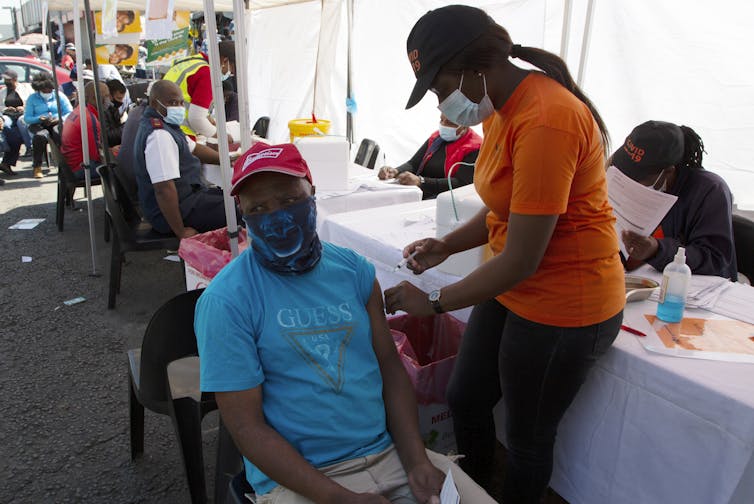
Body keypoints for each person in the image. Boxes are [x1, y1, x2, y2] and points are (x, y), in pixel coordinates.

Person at [383, 6, 624, 503]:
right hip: (515, 286)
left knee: (527, 439)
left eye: (439, 85)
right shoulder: (500, 106)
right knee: (465, 397)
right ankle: (473, 493)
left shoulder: (547, 119)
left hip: (564, 305)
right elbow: (506, 207)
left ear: (473, 68)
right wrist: (447, 243)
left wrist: (430, 301)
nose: (440, 99)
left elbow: (522, 258)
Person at [194, 140, 495, 504]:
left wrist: (416, 460)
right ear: (242, 213)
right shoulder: (227, 301)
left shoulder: (354, 271)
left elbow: (389, 367)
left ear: (312, 191)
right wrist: (338, 498)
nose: (277, 216)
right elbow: (246, 426)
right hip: (300, 478)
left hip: (389, 454)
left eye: (289, 200)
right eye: (259, 208)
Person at [612, 120, 738, 281]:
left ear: (668, 171)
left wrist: (657, 250)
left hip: (695, 291)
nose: (631, 181)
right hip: (643, 277)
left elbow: (714, 257)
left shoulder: (711, 190)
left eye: (640, 177)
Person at [133, 80, 236, 238]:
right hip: (175, 212)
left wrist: (228, 159)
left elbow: (195, 148)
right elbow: (164, 189)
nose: (179, 108)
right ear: (155, 103)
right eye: (172, 102)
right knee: (241, 213)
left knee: (235, 197)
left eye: (181, 103)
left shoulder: (166, 125)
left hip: (187, 198)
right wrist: (181, 231)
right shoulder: (159, 135)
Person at [378, 114, 481, 199]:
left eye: (449, 122)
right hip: (420, 193)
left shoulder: (475, 147)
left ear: (465, 125)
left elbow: (460, 183)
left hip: (442, 201)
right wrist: (395, 171)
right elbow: (414, 163)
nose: (443, 125)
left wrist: (421, 181)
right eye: (441, 120)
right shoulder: (437, 138)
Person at [162, 40, 236, 139]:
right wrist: (224, 137)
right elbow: (196, 119)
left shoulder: (193, 61)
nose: (229, 75)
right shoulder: (207, 74)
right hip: (179, 133)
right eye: (231, 71)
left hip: (164, 127)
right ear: (225, 61)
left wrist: (207, 117)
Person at [60, 81, 113, 180]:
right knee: (121, 168)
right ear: (95, 98)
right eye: (106, 96)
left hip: (70, 165)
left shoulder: (80, 111)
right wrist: (112, 153)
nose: (109, 99)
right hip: (81, 168)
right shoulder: (89, 119)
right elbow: (96, 155)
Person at [24, 72, 72, 179]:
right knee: (40, 137)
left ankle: (65, 164)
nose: (47, 92)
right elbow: (27, 118)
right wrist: (38, 118)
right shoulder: (32, 98)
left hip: (56, 122)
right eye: (44, 90)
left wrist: (59, 119)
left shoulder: (59, 96)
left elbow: (69, 112)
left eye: (50, 89)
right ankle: (37, 166)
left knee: (59, 134)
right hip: (38, 124)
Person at [0, 69, 32, 175]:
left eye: (8, 79)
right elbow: (0, 107)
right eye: (5, 79)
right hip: (7, 115)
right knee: (7, 127)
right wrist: (6, 109)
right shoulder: (3, 91)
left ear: (14, 79)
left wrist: (23, 108)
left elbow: (31, 102)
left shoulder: (25, 89)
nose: (6, 81)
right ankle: (5, 161)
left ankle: (29, 147)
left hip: (22, 115)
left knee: (19, 126)